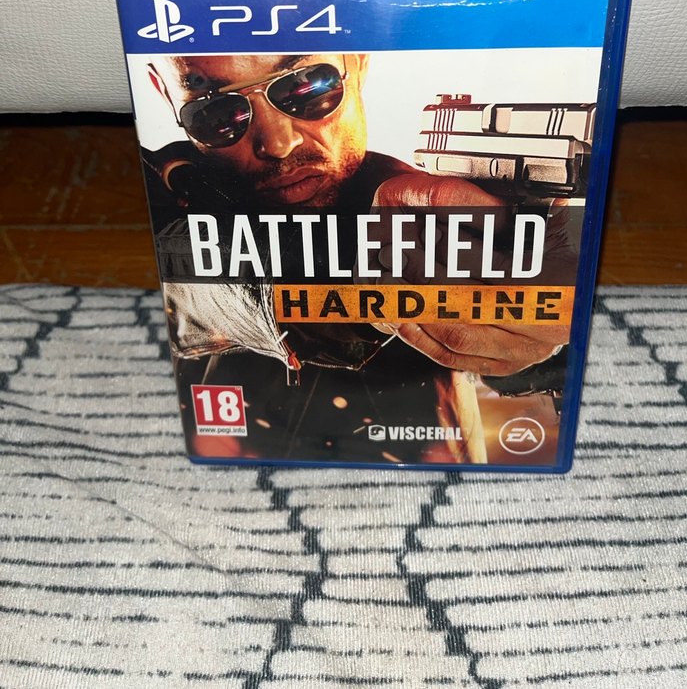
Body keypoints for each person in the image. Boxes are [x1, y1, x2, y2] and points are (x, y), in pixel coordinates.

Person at [143, 51, 574, 464]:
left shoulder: (433, 204)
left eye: (306, 87)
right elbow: (194, 281)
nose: (278, 143)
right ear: (164, 93)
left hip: (434, 479)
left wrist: (530, 336)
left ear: (360, 62)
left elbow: (528, 361)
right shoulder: (158, 195)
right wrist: (366, 269)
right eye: (217, 114)